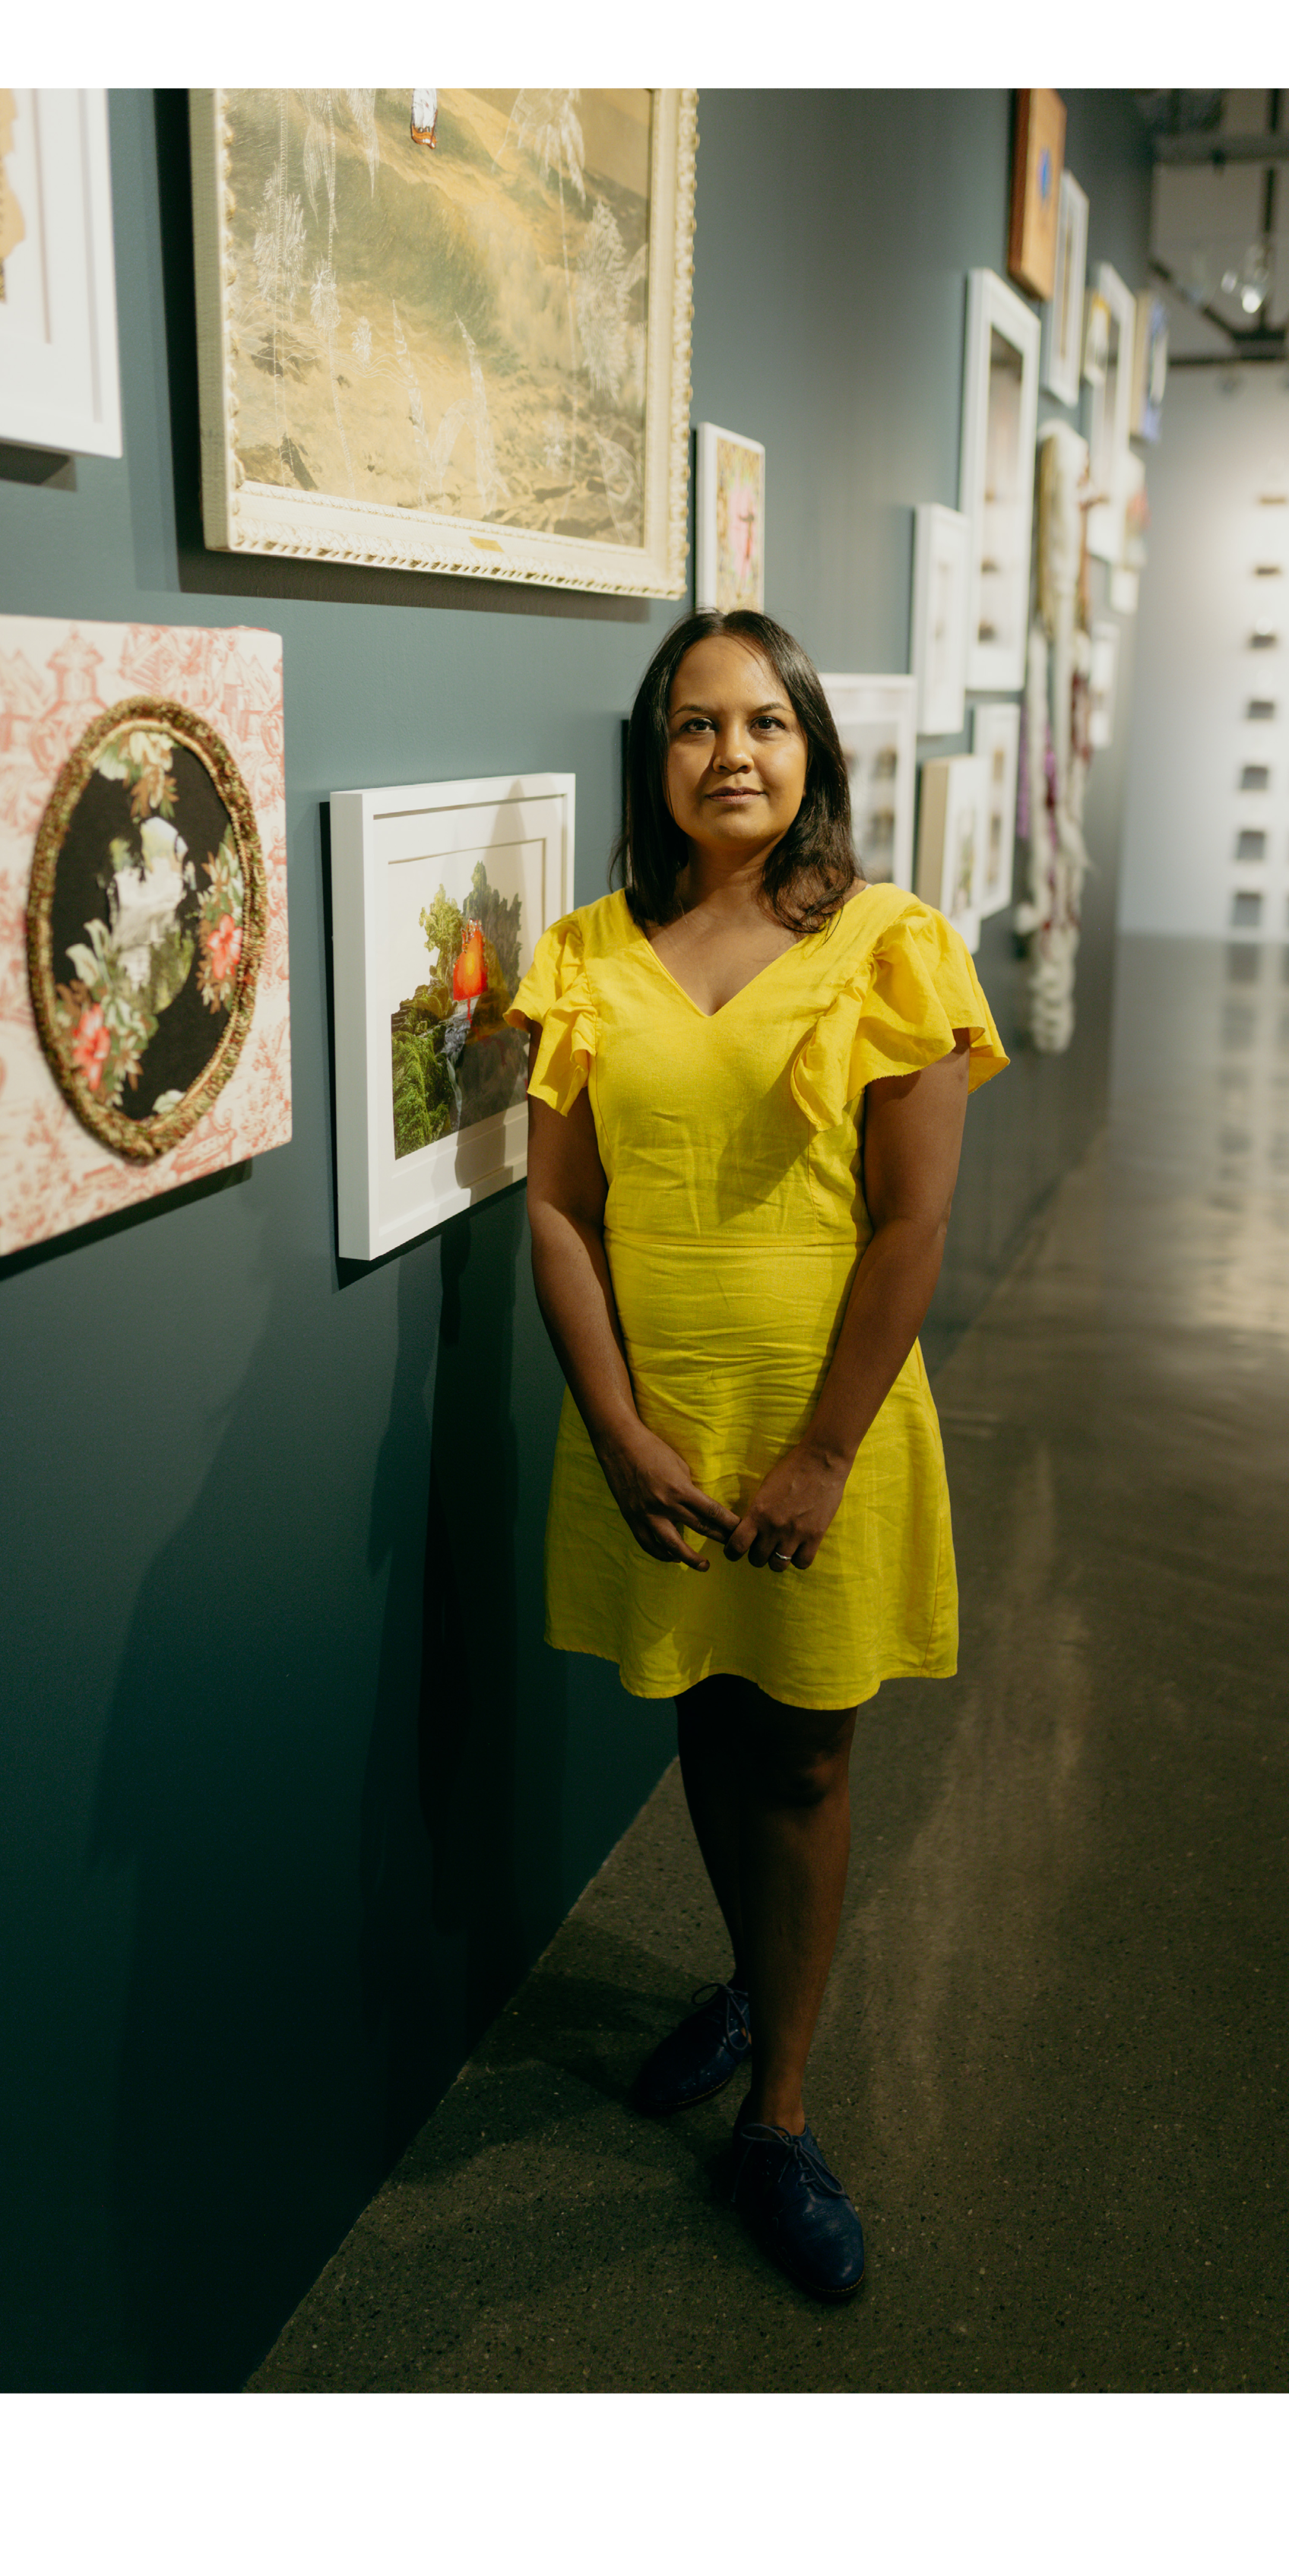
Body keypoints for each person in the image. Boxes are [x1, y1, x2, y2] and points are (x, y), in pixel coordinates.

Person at [507, 608, 1006, 2303]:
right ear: (654, 757)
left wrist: (822, 1455)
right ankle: (747, 1977)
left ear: (814, 752)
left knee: (801, 1758)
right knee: (707, 1730)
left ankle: (779, 2114)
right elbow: (558, 1220)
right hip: (663, 1424)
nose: (735, 754)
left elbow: (916, 1224)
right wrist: (619, 1427)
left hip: (825, 1426)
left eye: (768, 723)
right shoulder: (585, 952)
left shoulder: (891, 943)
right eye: (697, 725)